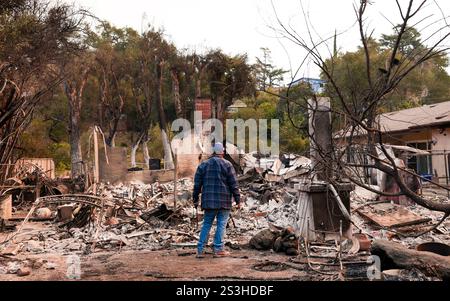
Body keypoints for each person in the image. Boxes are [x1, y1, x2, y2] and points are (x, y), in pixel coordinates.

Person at [193, 142, 241, 258]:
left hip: (209, 202)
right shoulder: (228, 165)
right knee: (221, 225)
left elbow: (197, 185)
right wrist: (238, 200)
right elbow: (234, 184)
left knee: (207, 224)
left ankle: (200, 250)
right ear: (222, 153)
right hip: (224, 201)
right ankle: (218, 249)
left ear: (213, 152)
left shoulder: (203, 165)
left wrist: (195, 199)